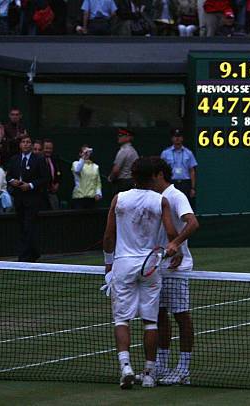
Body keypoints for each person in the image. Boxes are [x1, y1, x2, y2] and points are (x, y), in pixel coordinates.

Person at [101, 157, 183, 389]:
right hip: (150, 266)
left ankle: (125, 367)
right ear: (152, 177)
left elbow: (108, 237)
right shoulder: (161, 200)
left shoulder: (119, 199)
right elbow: (170, 233)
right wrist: (174, 249)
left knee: (121, 319)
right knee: (150, 322)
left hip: (124, 265)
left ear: (134, 177)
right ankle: (148, 373)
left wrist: (109, 265)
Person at [151, 157, 199, 386]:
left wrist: (176, 244)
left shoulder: (176, 196)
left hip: (176, 269)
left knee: (181, 316)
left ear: (160, 174)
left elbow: (193, 223)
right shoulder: (152, 197)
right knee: (159, 315)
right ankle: (161, 365)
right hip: (156, 267)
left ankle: (183, 369)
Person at [6, 134, 50, 262]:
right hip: (19, 198)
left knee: (29, 226)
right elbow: (8, 176)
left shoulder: (39, 159)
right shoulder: (14, 159)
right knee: (21, 226)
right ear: (20, 145)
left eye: (28, 142)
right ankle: (32, 253)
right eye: (23, 142)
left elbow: (45, 178)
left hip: (32, 198)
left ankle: (24, 257)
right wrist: (12, 181)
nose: (26, 144)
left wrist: (30, 185)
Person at [160, 128, 198, 200]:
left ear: (182, 138)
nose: (177, 138)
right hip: (171, 182)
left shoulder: (188, 153)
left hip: (185, 183)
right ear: (172, 138)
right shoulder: (165, 153)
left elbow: (192, 171)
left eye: (179, 136)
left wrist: (193, 188)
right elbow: (161, 170)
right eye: (175, 136)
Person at [71, 145, 102, 209]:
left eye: (88, 152)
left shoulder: (95, 166)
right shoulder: (75, 163)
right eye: (84, 152)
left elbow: (98, 182)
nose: (86, 153)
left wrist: (98, 193)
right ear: (80, 153)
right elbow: (77, 170)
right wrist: (83, 157)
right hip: (79, 198)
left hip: (92, 198)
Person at [109, 128, 139, 193]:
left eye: (121, 135)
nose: (118, 137)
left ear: (128, 137)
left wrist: (111, 178)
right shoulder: (134, 151)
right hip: (132, 183)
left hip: (123, 184)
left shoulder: (123, 151)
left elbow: (116, 170)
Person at [43, 139, 62, 210]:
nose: (48, 150)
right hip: (42, 193)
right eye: (46, 148)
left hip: (52, 192)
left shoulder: (55, 159)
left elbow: (59, 173)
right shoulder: (39, 160)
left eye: (50, 148)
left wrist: (57, 183)